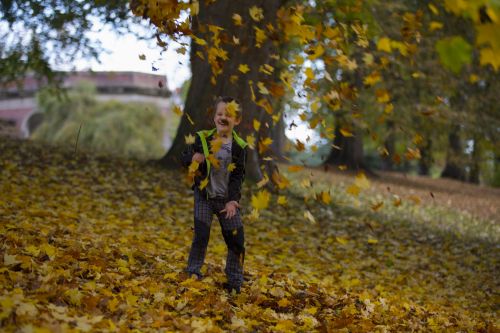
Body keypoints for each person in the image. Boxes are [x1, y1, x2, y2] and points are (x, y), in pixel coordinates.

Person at [181, 96, 248, 293]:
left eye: (228, 115)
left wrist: (233, 200)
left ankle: (234, 280)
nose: (223, 118)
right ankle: (193, 271)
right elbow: (184, 157)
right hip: (204, 197)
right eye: (220, 114)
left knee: (237, 239)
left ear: (237, 120)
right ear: (215, 117)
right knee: (201, 235)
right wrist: (192, 158)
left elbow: (238, 176)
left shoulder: (240, 147)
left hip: (226, 201)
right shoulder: (202, 138)